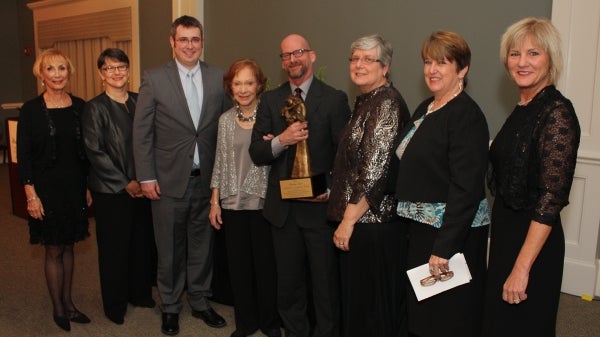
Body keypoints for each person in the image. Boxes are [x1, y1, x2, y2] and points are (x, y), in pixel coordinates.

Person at [133, 15, 231, 336]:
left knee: (202, 246)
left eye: (195, 39)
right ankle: (171, 305)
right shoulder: (154, 78)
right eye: (183, 39)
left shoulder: (219, 77)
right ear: (172, 42)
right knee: (170, 248)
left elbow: (229, 124)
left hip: (207, 181)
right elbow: (142, 132)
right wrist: (146, 176)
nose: (190, 45)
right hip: (167, 180)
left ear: (202, 42)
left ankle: (200, 301)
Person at [482, 17, 580, 337]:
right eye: (514, 54)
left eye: (533, 53)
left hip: (535, 246)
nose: (522, 62)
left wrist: (522, 268)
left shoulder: (557, 113)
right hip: (507, 235)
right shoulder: (524, 105)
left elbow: (550, 199)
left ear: (550, 59)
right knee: (498, 323)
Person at [249, 34, 351, 337]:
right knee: (289, 286)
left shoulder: (333, 99)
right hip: (283, 213)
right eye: (285, 56)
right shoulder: (270, 99)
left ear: (312, 55)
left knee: (324, 286)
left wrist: (331, 191)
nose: (292, 59)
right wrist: (281, 140)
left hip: (320, 212)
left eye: (298, 53)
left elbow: (343, 158)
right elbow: (257, 152)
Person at [394, 31, 490, 337]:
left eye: (442, 62)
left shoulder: (466, 115)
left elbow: (466, 189)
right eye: (427, 61)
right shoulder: (427, 107)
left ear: (462, 69)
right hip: (421, 231)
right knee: (424, 315)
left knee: (448, 318)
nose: (432, 69)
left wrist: (444, 247)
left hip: (449, 235)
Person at [327, 34, 410, 337]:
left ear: (385, 67)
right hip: (360, 222)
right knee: (358, 306)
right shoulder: (367, 101)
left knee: (370, 311)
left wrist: (348, 221)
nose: (359, 65)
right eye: (354, 58)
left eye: (368, 59)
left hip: (372, 225)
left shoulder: (386, 103)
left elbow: (375, 170)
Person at [17, 48, 92, 332]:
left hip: (74, 188)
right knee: (53, 249)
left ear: (69, 73)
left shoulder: (80, 106)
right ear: (41, 74)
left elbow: (84, 153)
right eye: (51, 69)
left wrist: (86, 186)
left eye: (62, 68)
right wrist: (30, 195)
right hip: (45, 190)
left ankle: (70, 304)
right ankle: (58, 308)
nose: (58, 74)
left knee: (70, 244)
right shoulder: (31, 110)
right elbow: (23, 157)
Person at [82, 48, 157, 325]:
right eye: (110, 68)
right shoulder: (94, 107)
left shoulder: (140, 101)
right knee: (114, 248)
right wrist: (126, 182)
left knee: (141, 244)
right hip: (111, 190)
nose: (117, 72)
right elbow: (95, 151)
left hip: (143, 187)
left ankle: (139, 294)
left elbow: (150, 141)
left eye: (121, 67)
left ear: (128, 70)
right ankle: (114, 304)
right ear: (101, 73)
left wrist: (144, 179)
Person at [209, 58, 281, 337]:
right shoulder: (225, 120)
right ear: (230, 87)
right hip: (231, 204)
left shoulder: (270, 117)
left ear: (259, 85)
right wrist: (214, 201)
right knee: (239, 270)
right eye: (237, 83)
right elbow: (219, 162)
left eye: (249, 82)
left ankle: (269, 323)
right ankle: (246, 323)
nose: (243, 89)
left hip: (263, 202)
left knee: (266, 268)